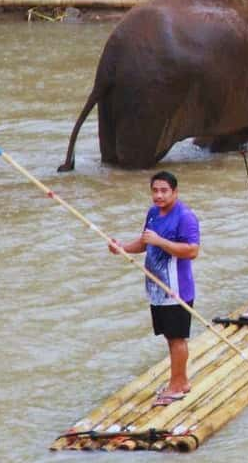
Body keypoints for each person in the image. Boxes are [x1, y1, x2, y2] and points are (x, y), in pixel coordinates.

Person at [107, 171, 200, 407]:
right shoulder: (153, 213)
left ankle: (177, 386)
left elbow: (192, 251)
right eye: (155, 190)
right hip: (156, 288)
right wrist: (123, 248)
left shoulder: (185, 217)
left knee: (177, 338)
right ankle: (180, 381)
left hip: (176, 289)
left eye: (164, 191)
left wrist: (161, 242)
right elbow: (144, 242)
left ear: (175, 192)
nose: (158, 195)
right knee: (169, 337)